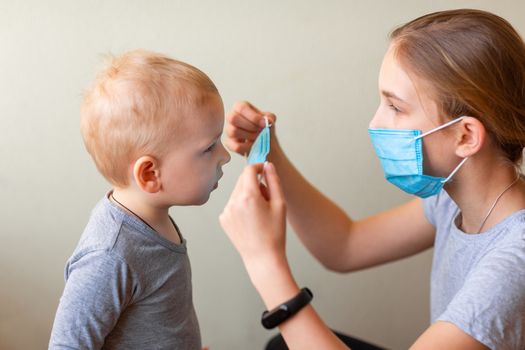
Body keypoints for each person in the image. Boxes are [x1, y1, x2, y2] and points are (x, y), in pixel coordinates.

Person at [219, 9, 525, 350]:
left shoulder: (513, 264)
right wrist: (270, 152)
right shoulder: (451, 200)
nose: (375, 122)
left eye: (395, 107)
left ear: (465, 136)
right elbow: (345, 246)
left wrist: (264, 262)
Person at [49, 50, 230, 349]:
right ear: (149, 174)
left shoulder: (150, 216)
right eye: (209, 147)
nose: (225, 156)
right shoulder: (110, 256)